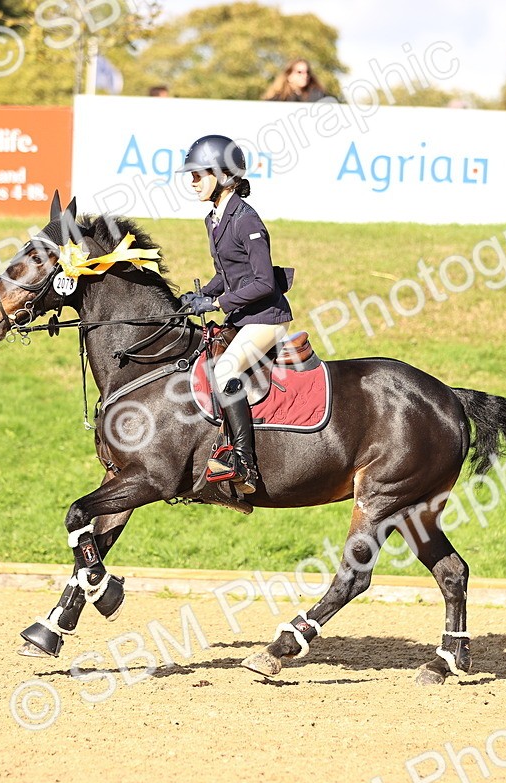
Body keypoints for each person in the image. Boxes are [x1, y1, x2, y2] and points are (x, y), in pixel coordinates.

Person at [175, 135, 293, 494]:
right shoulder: (214, 218)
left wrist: (217, 304)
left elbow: (262, 283)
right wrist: (202, 293)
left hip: (267, 318)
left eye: (198, 174)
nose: (192, 180)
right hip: (243, 317)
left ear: (224, 175)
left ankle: (244, 463)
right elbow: (227, 272)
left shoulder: (246, 220)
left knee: (226, 369)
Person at [263, 59, 330, 102]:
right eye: (299, 72)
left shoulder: (318, 95)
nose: (305, 76)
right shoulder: (278, 99)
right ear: (289, 76)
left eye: (307, 72)